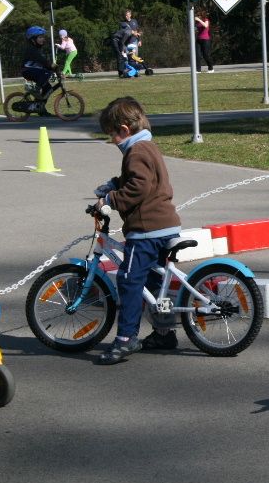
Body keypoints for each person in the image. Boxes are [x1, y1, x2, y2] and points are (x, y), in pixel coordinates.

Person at [94, 97, 181, 364]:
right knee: (155, 283)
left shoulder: (136, 151)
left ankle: (125, 339)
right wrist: (112, 184)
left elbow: (139, 187)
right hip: (163, 225)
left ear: (124, 129)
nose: (112, 141)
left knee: (130, 281)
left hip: (146, 230)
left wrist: (110, 200)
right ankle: (163, 333)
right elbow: (138, 178)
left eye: (112, 135)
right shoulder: (147, 146)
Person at [21, 26, 57, 109]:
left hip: (34, 70)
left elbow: (43, 63)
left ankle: (39, 108)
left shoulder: (37, 49)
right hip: (27, 70)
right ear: (33, 39)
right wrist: (52, 66)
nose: (42, 39)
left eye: (43, 37)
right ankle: (35, 89)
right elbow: (43, 61)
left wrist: (54, 68)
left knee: (48, 88)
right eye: (40, 37)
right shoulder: (31, 49)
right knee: (47, 72)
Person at [194, 9, 214, 73]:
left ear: (202, 16)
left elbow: (206, 26)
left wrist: (199, 20)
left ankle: (211, 68)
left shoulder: (206, 20)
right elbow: (195, 29)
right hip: (198, 39)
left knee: (206, 55)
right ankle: (198, 70)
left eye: (199, 15)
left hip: (206, 40)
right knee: (197, 55)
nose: (197, 16)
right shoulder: (197, 22)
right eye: (197, 15)